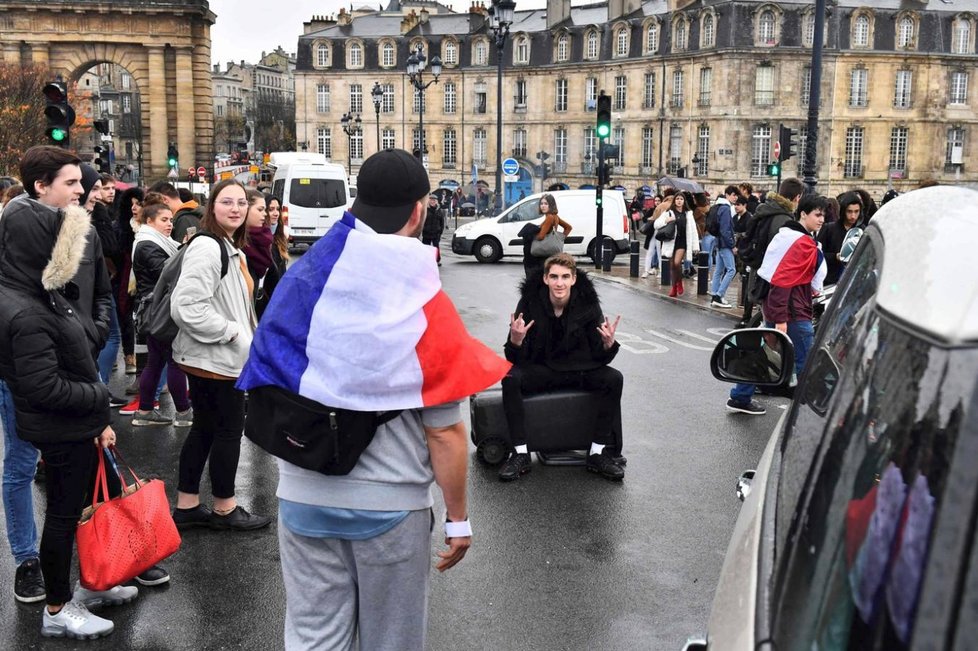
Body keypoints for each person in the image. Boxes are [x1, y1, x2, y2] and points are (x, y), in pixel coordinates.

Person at [236, 148, 509, 650]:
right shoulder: (421, 299)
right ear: (419, 211)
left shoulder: (305, 276)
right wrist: (457, 516)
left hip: (302, 494)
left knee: (314, 638)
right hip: (389, 505)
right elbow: (445, 430)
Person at [0, 147, 139, 639]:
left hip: (74, 418)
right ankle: (58, 609)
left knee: (81, 504)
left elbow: (98, 299)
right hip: (62, 423)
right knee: (61, 514)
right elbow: (41, 385)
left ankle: (88, 585)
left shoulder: (41, 294)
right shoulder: (25, 307)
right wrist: (97, 402)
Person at [170, 179, 268, 531]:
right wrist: (232, 333)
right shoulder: (209, 247)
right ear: (211, 207)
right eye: (227, 202)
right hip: (216, 359)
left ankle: (188, 504)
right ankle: (225, 508)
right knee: (226, 430)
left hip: (214, 358)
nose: (236, 209)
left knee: (206, 429)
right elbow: (186, 307)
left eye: (242, 203)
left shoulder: (226, 245)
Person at [498, 252, 625, 482]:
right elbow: (514, 357)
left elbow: (600, 357)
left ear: (574, 279)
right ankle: (520, 454)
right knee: (510, 378)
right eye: (554, 277)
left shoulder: (587, 303)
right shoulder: (530, 301)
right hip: (543, 368)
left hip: (579, 369)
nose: (559, 283)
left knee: (614, 378)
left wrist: (608, 345)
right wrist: (516, 341)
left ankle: (597, 452)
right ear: (546, 278)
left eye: (565, 277)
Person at [727, 177, 805, 415]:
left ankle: (748, 390)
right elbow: (781, 261)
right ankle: (743, 394)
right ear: (797, 198)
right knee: (771, 342)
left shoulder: (765, 211)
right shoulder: (782, 220)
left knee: (765, 340)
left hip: (761, 281)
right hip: (773, 286)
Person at [130, 202, 193, 427]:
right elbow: (167, 273)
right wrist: (186, 251)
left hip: (155, 309)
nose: (169, 225)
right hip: (161, 310)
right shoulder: (148, 244)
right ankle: (184, 413)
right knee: (175, 361)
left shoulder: (155, 242)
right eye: (164, 220)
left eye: (171, 220)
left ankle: (145, 410)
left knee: (155, 363)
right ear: (149, 221)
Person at [757, 194, 829, 382]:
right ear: (803, 214)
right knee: (805, 363)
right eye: (817, 214)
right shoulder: (801, 242)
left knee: (769, 354)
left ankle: (742, 395)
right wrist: (781, 319)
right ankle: (800, 408)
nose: (822, 219)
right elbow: (783, 281)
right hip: (793, 311)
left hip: (780, 307)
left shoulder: (786, 236)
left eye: (823, 215)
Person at [116, 187, 144, 375]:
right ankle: (129, 355)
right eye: (131, 204)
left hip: (143, 279)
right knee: (125, 317)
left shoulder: (150, 226)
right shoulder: (121, 227)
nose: (134, 208)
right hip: (125, 277)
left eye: (138, 203)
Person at [241, 189, 279, 319]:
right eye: (260, 209)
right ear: (246, 209)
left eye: (264, 210)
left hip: (262, 310)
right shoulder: (238, 243)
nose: (265, 214)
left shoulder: (265, 239)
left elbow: (273, 278)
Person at [654, 191, 699, 298]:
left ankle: (678, 284)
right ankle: (675, 286)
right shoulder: (669, 212)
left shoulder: (688, 214)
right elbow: (656, 224)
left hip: (683, 242)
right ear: (674, 201)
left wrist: (695, 245)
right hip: (671, 242)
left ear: (684, 201)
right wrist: (667, 220)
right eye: (677, 199)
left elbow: (693, 230)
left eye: (681, 199)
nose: (679, 201)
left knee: (677, 263)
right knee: (672, 266)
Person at [521, 193, 572, 279]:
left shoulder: (549, 218)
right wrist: (560, 238)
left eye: (546, 204)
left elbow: (541, 236)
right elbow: (568, 228)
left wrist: (532, 237)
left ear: (551, 205)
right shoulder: (555, 217)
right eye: (541, 203)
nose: (543, 206)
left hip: (542, 257)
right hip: (549, 255)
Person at [819, 191, 862, 285]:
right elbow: (817, 254)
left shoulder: (862, 230)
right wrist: (835, 257)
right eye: (849, 211)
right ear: (843, 211)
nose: (853, 216)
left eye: (856, 211)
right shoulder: (829, 229)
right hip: (829, 281)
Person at [709, 186, 741, 309]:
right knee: (731, 270)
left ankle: (714, 295)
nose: (735, 197)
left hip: (718, 242)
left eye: (736, 195)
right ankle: (719, 295)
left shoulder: (718, 207)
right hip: (725, 244)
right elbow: (725, 229)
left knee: (718, 270)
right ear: (727, 195)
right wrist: (732, 245)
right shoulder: (726, 209)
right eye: (733, 195)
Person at [422, 193, 444, 265]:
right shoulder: (425, 209)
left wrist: (440, 231)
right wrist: (423, 229)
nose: (432, 201)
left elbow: (442, 222)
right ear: (428, 200)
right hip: (426, 232)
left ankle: (437, 260)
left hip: (436, 232)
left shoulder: (439, 210)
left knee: (436, 247)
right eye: (431, 200)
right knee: (426, 247)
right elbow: (422, 220)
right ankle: (425, 260)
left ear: (436, 201)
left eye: (434, 200)